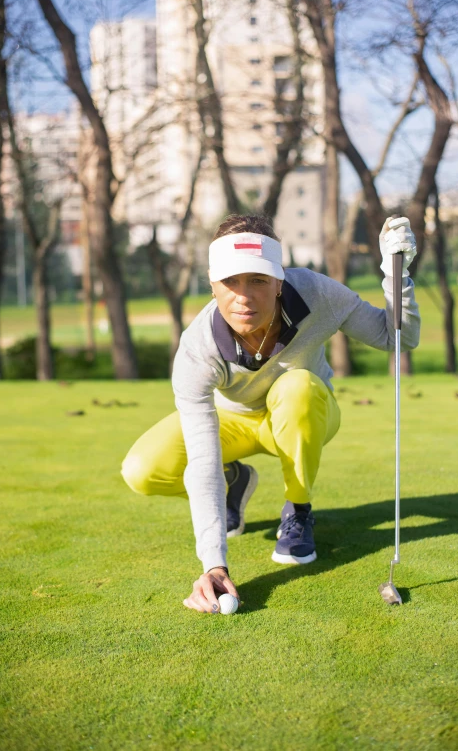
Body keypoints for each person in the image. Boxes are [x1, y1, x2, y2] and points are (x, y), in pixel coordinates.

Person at [121, 214, 420, 614]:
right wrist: (214, 564)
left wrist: (395, 275)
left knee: (297, 384)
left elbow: (395, 337)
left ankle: (298, 511)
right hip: (233, 423)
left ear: (280, 281)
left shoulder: (318, 294)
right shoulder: (196, 348)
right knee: (141, 470)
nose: (243, 296)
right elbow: (202, 459)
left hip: (304, 410)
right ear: (212, 283)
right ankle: (236, 481)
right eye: (230, 281)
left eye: (258, 280)